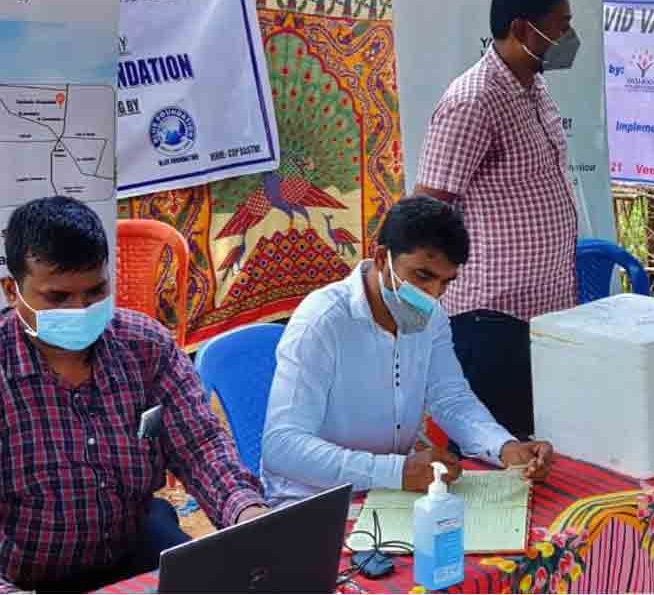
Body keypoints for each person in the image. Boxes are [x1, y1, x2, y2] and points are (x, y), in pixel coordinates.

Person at [0, 196, 268, 592]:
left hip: (132, 543)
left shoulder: (144, 346)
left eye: (95, 291)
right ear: (12, 291)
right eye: (58, 298)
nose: (80, 309)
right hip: (26, 575)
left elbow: (200, 446)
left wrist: (246, 510)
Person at [261, 197, 554, 503]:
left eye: (445, 282)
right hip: (315, 500)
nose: (432, 294)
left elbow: (450, 397)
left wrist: (504, 447)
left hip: (391, 493)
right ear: (381, 258)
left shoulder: (431, 315)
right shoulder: (322, 321)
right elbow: (282, 447)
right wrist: (397, 471)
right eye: (422, 276)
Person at [414, 0, 580, 440]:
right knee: (495, 459)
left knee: (540, 450)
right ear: (522, 29)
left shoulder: (535, 87)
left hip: (545, 313)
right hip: (490, 322)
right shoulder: (473, 100)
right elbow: (427, 212)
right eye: (561, 25)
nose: (568, 36)